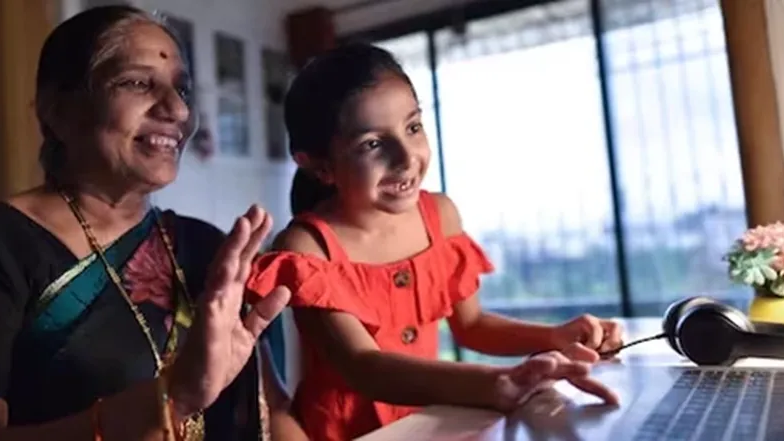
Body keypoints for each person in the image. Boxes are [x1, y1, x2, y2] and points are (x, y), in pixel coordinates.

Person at [0, 6, 299, 441]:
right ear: (57, 112)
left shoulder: (206, 249)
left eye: (183, 89)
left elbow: (275, 416)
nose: (177, 110)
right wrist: (171, 399)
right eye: (138, 83)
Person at [244, 43, 626, 441]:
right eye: (373, 144)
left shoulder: (439, 216)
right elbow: (363, 365)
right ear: (319, 165)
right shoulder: (307, 248)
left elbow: (473, 325)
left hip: (432, 427)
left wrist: (553, 337)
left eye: (412, 127)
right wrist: (497, 383)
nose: (406, 157)